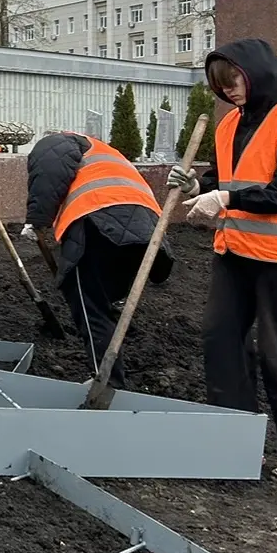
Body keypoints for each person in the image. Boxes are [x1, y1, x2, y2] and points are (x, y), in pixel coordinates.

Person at [170, 39, 277, 488]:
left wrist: (225, 198)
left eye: (234, 79)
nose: (229, 90)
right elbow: (224, 181)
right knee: (220, 338)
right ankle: (233, 437)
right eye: (221, 84)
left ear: (257, 72)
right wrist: (197, 186)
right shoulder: (229, 125)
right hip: (235, 252)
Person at [23, 130, 173, 386]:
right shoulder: (103, 151)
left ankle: (106, 383)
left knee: (89, 304)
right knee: (104, 299)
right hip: (146, 228)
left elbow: (50, 171)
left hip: (97, 222)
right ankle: (112, 367)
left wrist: (36, 220)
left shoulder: (56, 141)